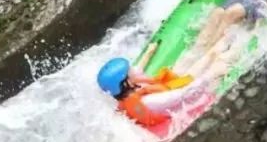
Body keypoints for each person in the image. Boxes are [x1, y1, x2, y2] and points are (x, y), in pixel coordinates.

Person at [96, 39, 238, 128]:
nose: (132, 70)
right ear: (125, 83)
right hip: (182, 94)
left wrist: (150, 52)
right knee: (216, 60)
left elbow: (138, 69)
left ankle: (226, 41)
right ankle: (237, 44)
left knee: (211, 54)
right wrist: (212, 73)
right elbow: (184, 94)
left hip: (171, 86)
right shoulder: (149, 102)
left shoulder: (126, 93)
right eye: (128, 72)